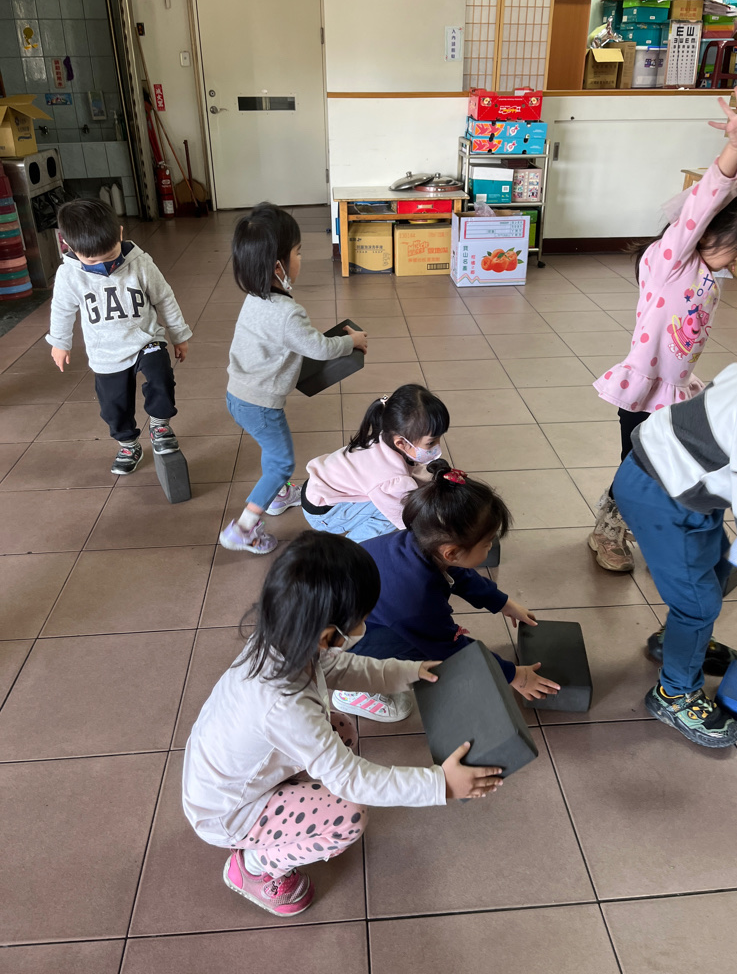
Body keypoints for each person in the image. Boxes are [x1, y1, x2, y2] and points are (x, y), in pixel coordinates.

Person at [182, 531, 504, 917]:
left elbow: (344, 666)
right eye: (361, 620)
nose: (364, 626)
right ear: (326, 635)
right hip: (228, 813)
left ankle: (286, 809)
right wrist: (441, 784)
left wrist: (411, 671)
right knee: (347, 816)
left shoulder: (285, 637)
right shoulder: (284, 704)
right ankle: (253, 867)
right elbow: (352, 780)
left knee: (340, 726)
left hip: (229, 778)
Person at [588, 87, 737, 573]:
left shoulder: (708, 273)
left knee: (670, 467)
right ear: (705, 232)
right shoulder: (672, 262)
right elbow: (699, 207)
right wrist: (736, 148)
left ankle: (663, 530)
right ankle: (608, 529)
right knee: (636, 467)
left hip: (676, 390)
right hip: (643, 390)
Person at [613, 360, 737, 748]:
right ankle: (674, 693)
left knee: (717, 567)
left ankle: (674, 642)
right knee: (698, 604)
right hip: (660, 494)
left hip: (683, 481)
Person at [332, 459, 560, 722]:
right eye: (487, 543)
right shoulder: (415, 601)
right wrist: (513, 675)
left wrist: (503, 603)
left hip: (348, 607)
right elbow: (449, 647)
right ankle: (351, 689)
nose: (490, 547)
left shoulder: (417, 541)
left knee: (417, 636)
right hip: (332, 642)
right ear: (451, 552)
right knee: (418, 647)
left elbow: (458, 573)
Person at [218, 203, 368, 555]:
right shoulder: (286, 313)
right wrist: (352, 342)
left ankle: (279, 495)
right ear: (278, 267)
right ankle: (243, 528)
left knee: (271, 451)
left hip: (237, 395)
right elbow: (319, 347)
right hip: (260, 404)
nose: (301, 259)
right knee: (281, 462)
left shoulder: (255, 298)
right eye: (298, 253)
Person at [46, 199, 192, 475]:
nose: (103, 265)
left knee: (161, 376)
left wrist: (179, 335)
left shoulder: (140, 263)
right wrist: (60, 343)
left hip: (146, 339)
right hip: (105, 352)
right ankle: (128, 444)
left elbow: (164, 298)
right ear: (69, 246)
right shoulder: (69, 275)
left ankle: (160, 425)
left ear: (120, 234)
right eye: (92, 260)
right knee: (114, 405)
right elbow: (62, 310)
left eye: (110, 255)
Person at [302, 384, 449, 542]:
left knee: (400, 495)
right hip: (323, 515)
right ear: (401, 443)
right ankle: (352, 547)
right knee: (396, 512)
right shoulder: (390, 478)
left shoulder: (385, 435)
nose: (438, 445)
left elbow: (410, 468)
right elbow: (404, 519)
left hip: (316, 489)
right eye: (431, 442)